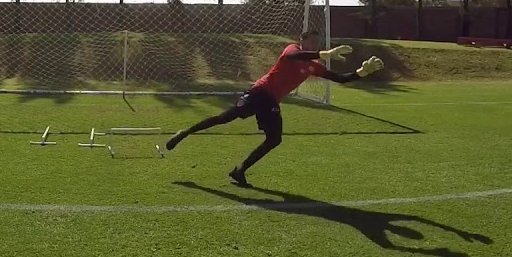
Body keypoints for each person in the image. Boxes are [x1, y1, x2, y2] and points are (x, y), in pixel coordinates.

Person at [163, 30, 383, 187]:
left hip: (272, 101)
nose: (314, 45)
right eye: (311, 41)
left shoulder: (314, 66)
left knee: (274, 139)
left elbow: (339, 78)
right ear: (302, 40)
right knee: (225, 118)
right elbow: (294, 56)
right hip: (260, 92)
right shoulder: (292, 50)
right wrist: (325, 54)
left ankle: (239, 171)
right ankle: (184, 134)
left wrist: (361, 72)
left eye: (317, 42)